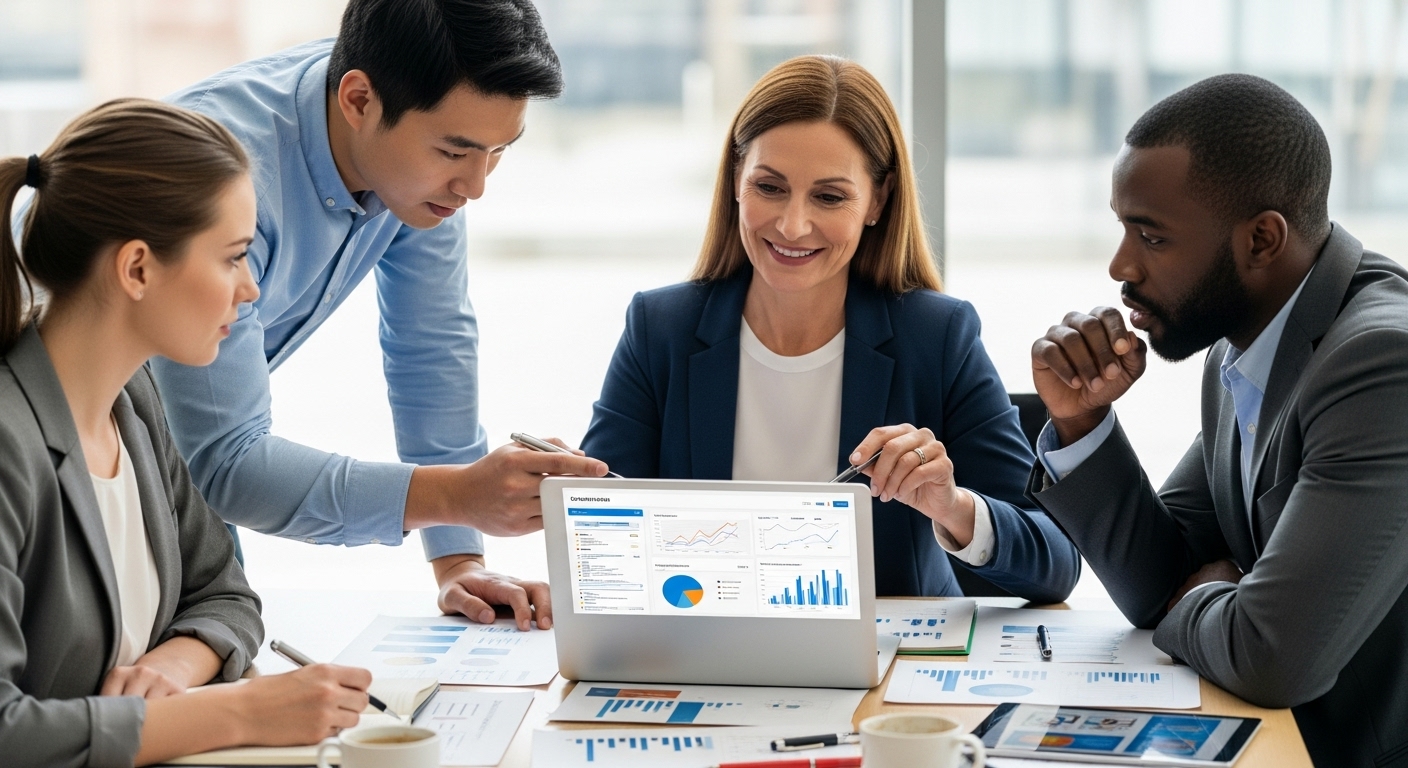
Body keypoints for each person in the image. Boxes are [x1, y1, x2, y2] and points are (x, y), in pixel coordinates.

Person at [148, 0, 609, 628]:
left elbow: (431, 347)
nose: (476, 186)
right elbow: (227, 462)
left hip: (163, 459)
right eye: (456, 151)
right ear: (359, 101)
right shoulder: (217, 179)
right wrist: (457, 496)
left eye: (498, 150)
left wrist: (459, 560)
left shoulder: (407, 167)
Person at [581, 56, 1079, 602]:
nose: (793, 225)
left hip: (881, 673)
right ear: (735, 182)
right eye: (769, 187)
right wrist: (574, 502)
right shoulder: (661, 329)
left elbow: (1055, 564)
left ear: (878, 200)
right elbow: (598, 541)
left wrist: (952, 505)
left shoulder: (936, 337)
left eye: (829, 196)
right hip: (703, 654)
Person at [1028, 74, 1408, 767]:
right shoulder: (1244, 343)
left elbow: (1271, 656)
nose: (1120, 265)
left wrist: (1207, 591)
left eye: (1151, 236)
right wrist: (1081, 422)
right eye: (1122, 228)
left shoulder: (1382, 365)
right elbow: (1154, 581)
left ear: (1262, 240)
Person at [0, 99, 374, 768]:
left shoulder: (134, 402)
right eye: (232, 257)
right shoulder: (8, 440)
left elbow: (223, 591)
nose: (251, 289)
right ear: (138, 268)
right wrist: (235, 713)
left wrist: (176, 665)